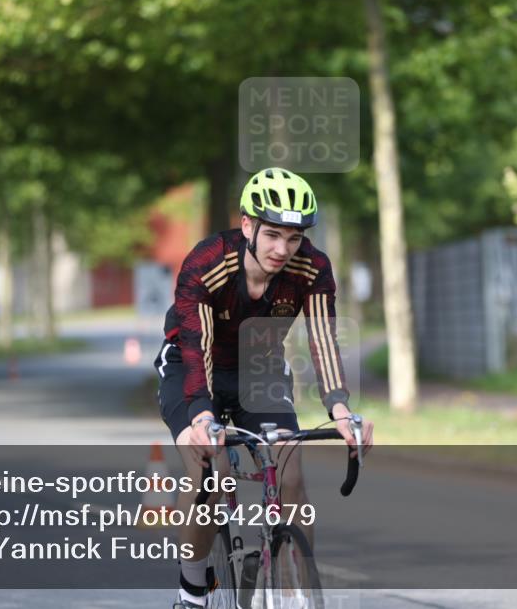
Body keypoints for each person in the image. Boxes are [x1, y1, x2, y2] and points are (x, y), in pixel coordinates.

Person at [154, 167, 374, 609]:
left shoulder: (312, 268)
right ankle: (193, 590)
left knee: (290, 474)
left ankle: (294, 585)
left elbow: (322, 340)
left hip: (261, 369)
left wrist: (340, 411)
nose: (283, 249)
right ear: (248, 225)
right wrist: (202, 416)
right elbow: (198, 346)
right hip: (194, 367)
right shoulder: (209, 261)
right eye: (273, 235)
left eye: (294, 238)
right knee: (207, 475)